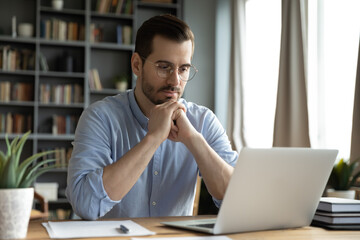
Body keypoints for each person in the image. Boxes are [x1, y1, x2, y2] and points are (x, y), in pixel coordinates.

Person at [66, 14, 238, 220]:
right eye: (164, 67)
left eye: (183, 69)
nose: (175, 81)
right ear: (137, 65)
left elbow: (238, 200)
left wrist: (193, 139)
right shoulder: (99, 118)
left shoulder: (203, 122)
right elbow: (86, 204)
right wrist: (153, 138)